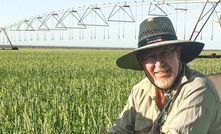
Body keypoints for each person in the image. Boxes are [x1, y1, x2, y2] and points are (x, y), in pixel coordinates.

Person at [107, 17, 221, 134]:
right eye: (150, 56)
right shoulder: (139, 91)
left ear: (178, 53)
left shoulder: (198, 88)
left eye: (165, 53)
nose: (159, 64)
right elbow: (119, 130)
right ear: (142, 61)